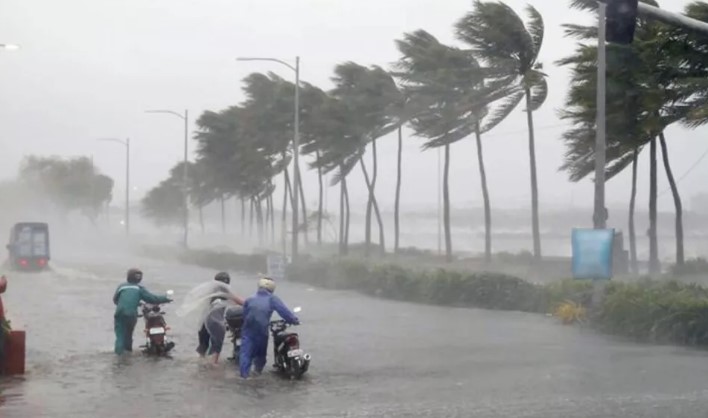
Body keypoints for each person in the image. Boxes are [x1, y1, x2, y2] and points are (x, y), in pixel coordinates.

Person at [239, 276, 299, 379]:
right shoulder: (272, 299)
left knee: (245, 354)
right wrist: (294, 320)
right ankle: (257, 375)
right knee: (261, 355)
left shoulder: (249, 299)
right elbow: (284, 312)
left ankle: (244, 377)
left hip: (248, 330)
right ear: (272, 288)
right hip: (261, 331)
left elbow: (244, 315)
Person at [113, 268, 172, 355]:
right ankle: (128, 353)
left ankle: (118, 355)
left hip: (119, 313)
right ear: (140, 278)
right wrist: (166, 298)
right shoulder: (139, 288)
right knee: (128, 335)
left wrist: (132, 303)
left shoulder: (121, 287)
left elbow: (115, 300)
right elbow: (152, 298)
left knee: (120, 335)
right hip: (131, 314)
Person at [196, 272, 244, 358]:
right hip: (215, 321)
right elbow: (240, 302)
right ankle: (214, 366)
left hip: (204, 320)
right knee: (216, 345)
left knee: (203, 344)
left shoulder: (210, 291)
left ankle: (201, 365)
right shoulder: (225, 292)